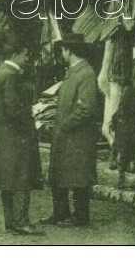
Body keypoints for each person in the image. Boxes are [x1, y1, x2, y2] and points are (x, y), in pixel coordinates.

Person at [42, 33, 100, 228]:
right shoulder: (73, 72)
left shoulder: (86, 73)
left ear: (69, 50)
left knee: (78, 176)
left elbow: (86, 108)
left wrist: (65, 124)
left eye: (63, 50)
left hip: (77, 136)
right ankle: (60, 213)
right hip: (65, 134)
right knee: (59, 174)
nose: (62, 53)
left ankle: (81, 216)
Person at [0, 43, 45, 236]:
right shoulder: (11, 76)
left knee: (8, 180)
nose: (27, 58)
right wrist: (31, 116)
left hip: (4, 136)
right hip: (17, 137)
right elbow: (13, 109)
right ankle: (22, 222)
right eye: (25, 54)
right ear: (15, 54)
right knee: (21, 179)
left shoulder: (0, 74)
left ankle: (10, 222)